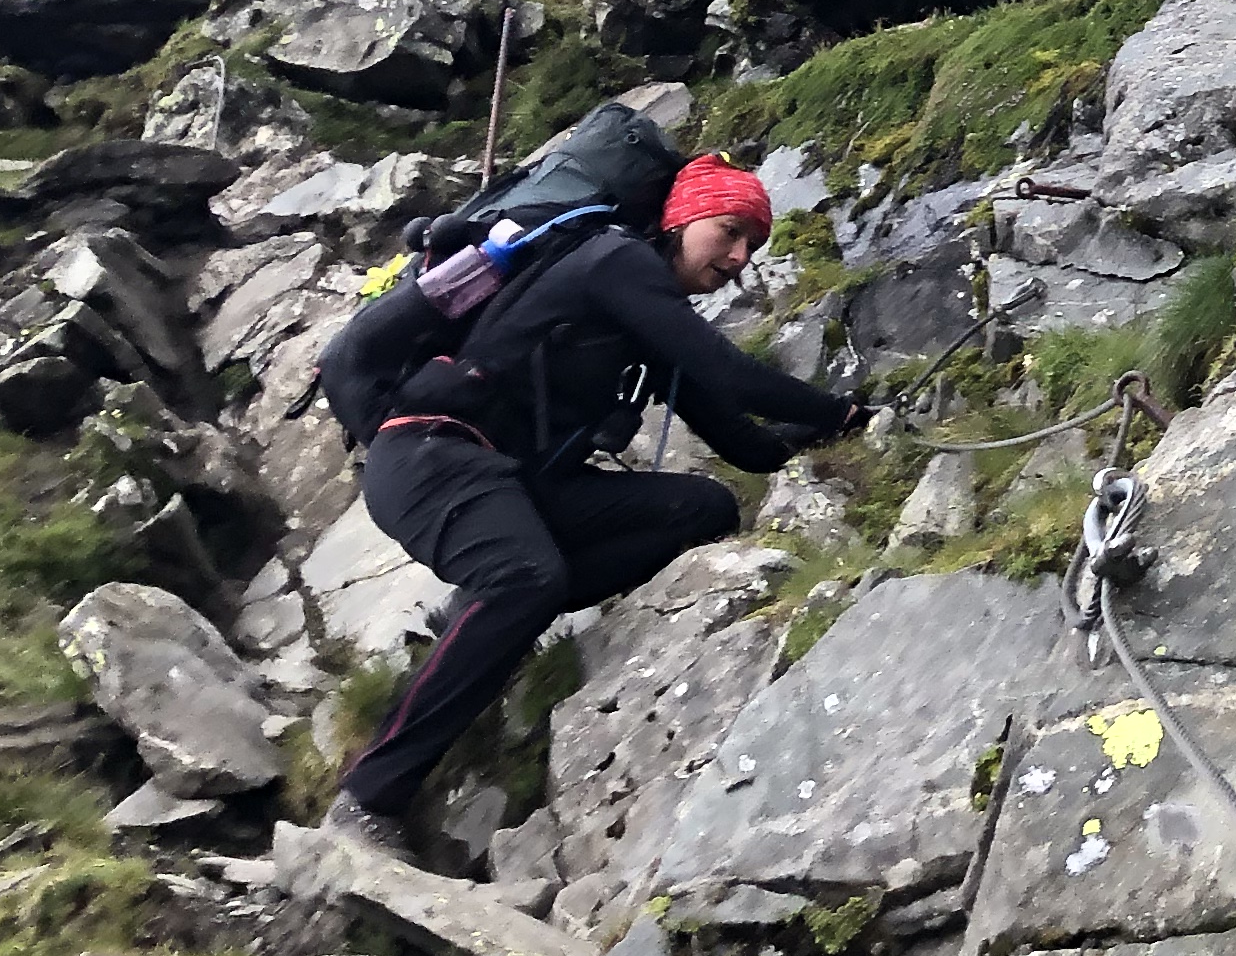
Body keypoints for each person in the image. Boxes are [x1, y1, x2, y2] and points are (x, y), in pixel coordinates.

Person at [316, 156, 853, 865]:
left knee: (702, 507)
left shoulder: (646, 317)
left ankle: (479, 612)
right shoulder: (613, 262)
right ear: (682, 218)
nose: (739, 257)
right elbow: (733, 373)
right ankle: (369, 798)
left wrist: (840, 436)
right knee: (523, 578)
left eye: (753, 246)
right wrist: (839, 407)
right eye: (729, 232)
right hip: (427, 453)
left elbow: (742, 442)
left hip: (506, 480)